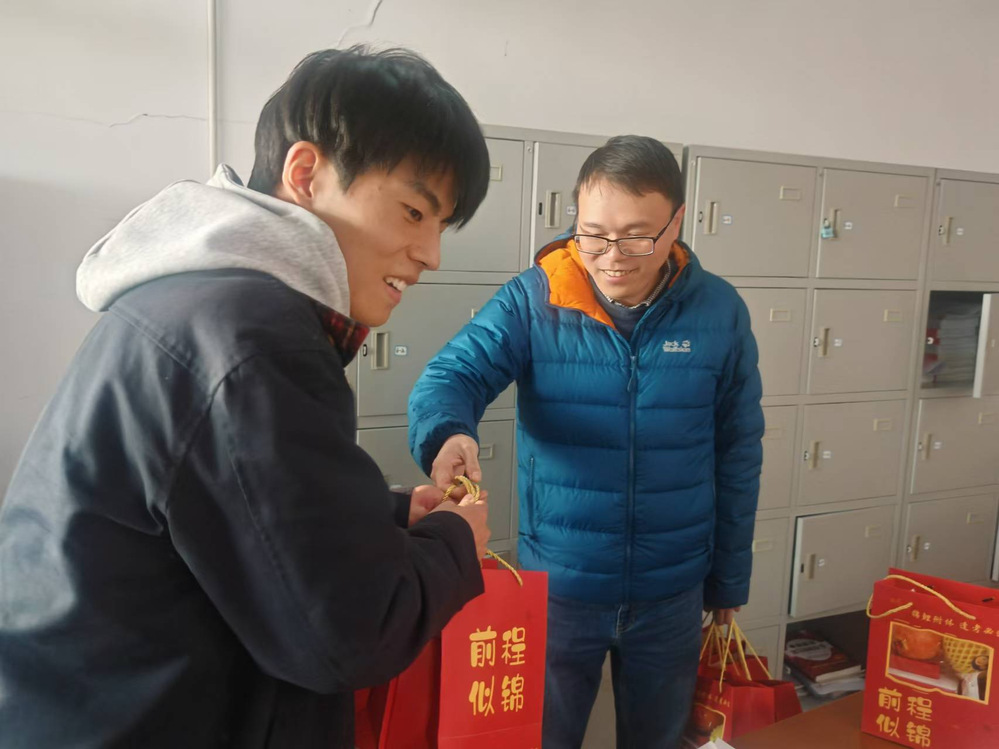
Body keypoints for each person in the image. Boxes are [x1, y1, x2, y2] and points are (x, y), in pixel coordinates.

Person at [0, 46, 492, 748]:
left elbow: (216, 505)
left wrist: (386, 514)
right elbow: (350, 633)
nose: (431, 255)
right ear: (306, 174)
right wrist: (455, 543)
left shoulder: (194, 298)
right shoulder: (258, 339)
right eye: (414, 211)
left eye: (441, 227)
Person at [408, 135, 764, 748]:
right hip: (560, 588)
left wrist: (728, 579)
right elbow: (451, 375)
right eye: (593, 234)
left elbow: (739, 450)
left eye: (636, 236)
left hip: (672, 592)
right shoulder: (536, 297)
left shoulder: (718, 311)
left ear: (677, 222)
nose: (611, 257)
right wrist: (446, 433)